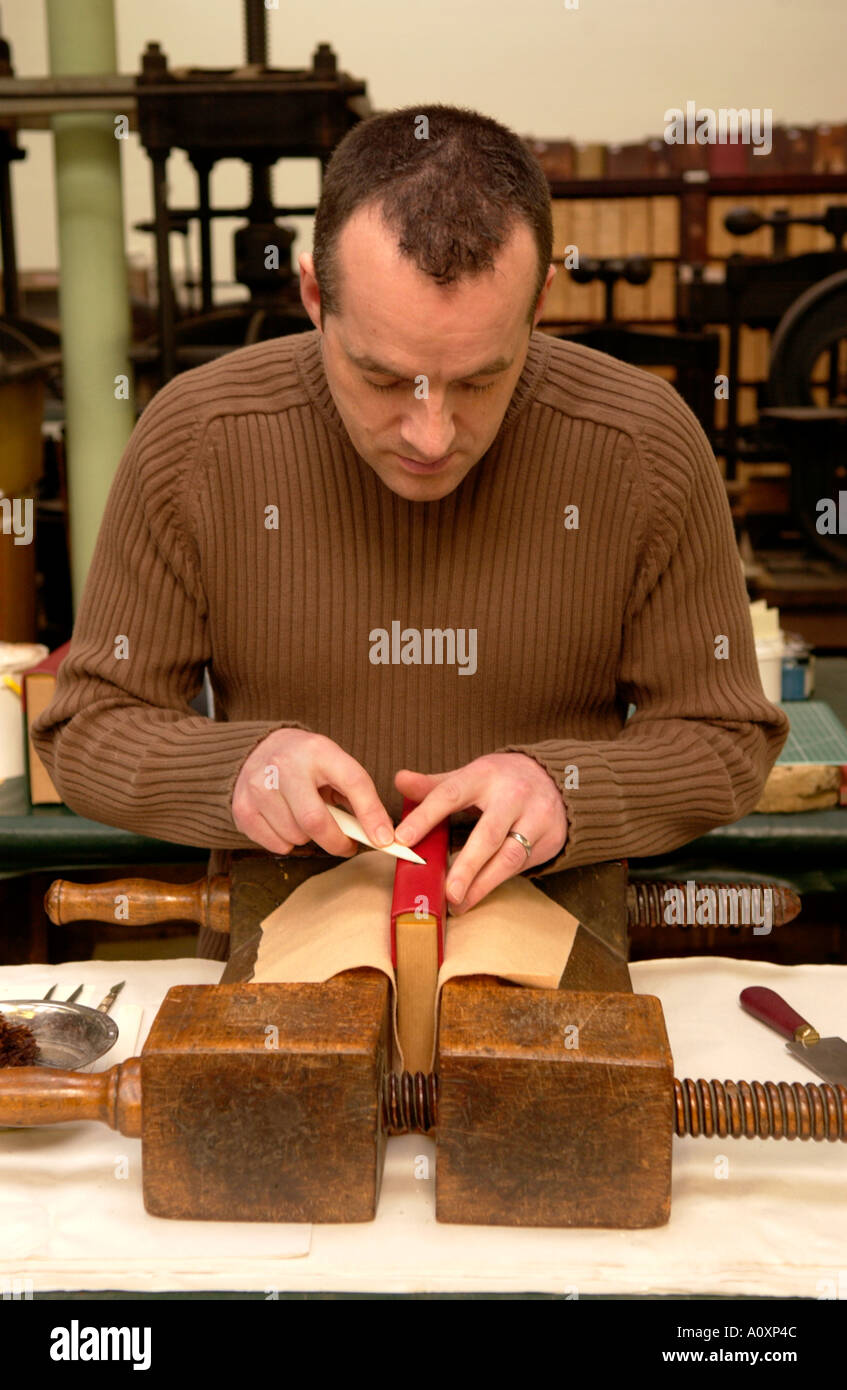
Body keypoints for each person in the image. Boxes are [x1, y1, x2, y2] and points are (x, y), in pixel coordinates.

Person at [31, 103, 789, 961]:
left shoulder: (640, 443)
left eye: (481, 379)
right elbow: (89, 726)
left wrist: (567, 788)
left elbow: (726, 737)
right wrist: (236, 771)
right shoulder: (198, 437)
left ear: (539, 302)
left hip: (549, 965)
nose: (431, 437)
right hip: (286, 966)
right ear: (314, 295)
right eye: (384, 377)